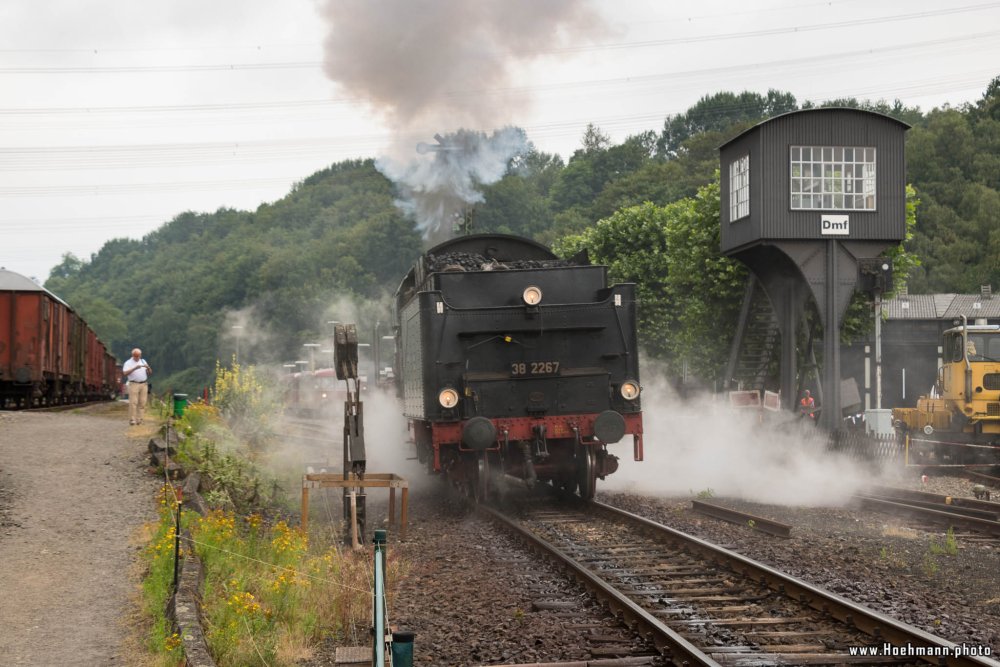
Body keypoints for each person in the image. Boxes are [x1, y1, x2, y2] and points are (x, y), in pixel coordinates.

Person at [122, 348, 152, 425]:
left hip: (144, 384)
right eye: (135, 356)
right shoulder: (128, 363)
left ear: (140, 355)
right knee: (133, 402)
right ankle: (132, 419)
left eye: (138, 356)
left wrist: (148, 368)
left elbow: (150, 373)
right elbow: (125, 373)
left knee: (142, 402)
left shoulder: (143, 361)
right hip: (133, 384)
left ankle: (140, 419)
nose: (137, 357)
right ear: (132, 355)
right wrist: (135, 368)